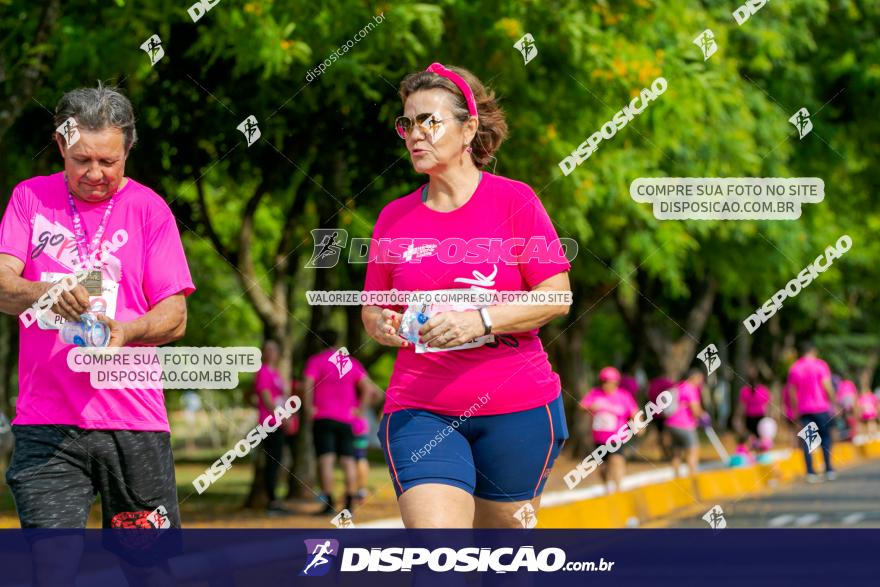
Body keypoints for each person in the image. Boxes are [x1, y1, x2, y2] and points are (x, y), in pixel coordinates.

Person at [361, 63, 572, 528]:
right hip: (422, 410)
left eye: (429, 121)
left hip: (516, 408)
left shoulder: (515, 201)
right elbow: (374, 307)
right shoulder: (392, 218)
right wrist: (381, 324)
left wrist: (480, 320)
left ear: (468, 128)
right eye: (407, 122)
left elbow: (556, 296)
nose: (415, 134)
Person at [0, 85, 194, 581]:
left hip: (133, 425)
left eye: (108, 161)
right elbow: (2, 285)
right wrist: (46, 292)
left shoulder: (150, 210)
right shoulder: (29, 199)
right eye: (81, 158)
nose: (94, 173)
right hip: (48, 428)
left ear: (128, 149)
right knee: (54, 568)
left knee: (147, 569)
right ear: (61, 144)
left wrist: (126, 332)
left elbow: (174, 314)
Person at [303, 329, 379, 515]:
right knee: (348, 460)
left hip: (323, 417)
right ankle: (349, 503)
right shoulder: (348, 362)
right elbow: (370, 390)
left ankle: (328, 502)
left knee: (326, 459)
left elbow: (306, 385)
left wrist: (308, 408)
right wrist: (360, 411)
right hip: (347, 419)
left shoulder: (316, 361)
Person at [579, 367, 639, 493]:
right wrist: (591, 406)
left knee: (617, 461)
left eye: (610, 382)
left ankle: (618, 490)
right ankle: (607, 487)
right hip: (599, 438)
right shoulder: (595, 393)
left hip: (617, 436)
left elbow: (634, 412)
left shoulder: (623, 396)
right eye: (604, 381)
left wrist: (638, 425)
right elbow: (581, 406)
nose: (607, 385)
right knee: (603, 467)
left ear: (616, 383)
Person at [784, 340, 836, 482]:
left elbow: (792, 392)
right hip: (821, 408)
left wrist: (795, 410)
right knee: (825, 438)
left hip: (804, 410)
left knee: (809, 441)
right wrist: (833, 402)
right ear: (813, 351)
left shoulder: (795, 368)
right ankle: (829, 468)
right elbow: (827, 386)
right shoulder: (820, 365)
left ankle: (810, 472)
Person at [252, 340, 292, 515]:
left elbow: (283, 397)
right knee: (273, 463)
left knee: (279, 462)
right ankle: (272, 503)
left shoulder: (276, 373)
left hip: (279, 422)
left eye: (274, 349)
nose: (270, 353)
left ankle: (275, 499)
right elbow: (268, 399)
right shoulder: (263, 373)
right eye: (267, 349)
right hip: (269, 423)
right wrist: (282, 417)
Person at [665, 368, 704, 478]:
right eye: (700, 379)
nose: (701, 382)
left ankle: (676, 477)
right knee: (693, 451)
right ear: (694, 378)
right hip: (685, 425)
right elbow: (695, 410)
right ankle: (692, 478)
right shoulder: (691, 389)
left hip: (671, 424)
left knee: (676, 452)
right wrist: (703, 416)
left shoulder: (679, 386)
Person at [736, 372, 771, 447]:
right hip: (759, 418)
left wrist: (738, 417)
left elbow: (742, 407)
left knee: (751, 440)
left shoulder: (744, 391)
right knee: (760, 440)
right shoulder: (763, 390)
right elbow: (766, 407)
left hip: (750, 419)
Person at [648, 375, 675, 459]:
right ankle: (670, 453)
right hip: (666, 413)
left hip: (655, 413)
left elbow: (649, 396)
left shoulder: (652, 383)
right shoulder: (668, 383)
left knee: (661, 434)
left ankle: (665, 454)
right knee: (668, 435)